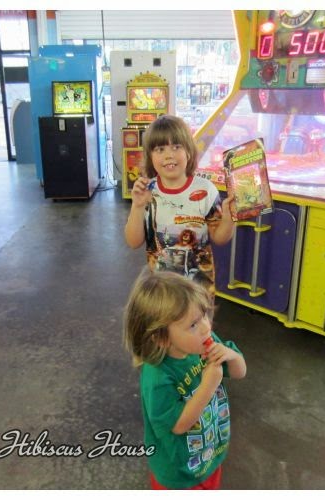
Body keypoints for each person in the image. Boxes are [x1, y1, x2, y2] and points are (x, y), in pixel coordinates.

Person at [123, 270, 247, 489]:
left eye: (204, 315)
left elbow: (240, 372)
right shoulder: (158, 376)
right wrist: (209, 384)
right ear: (161, 338)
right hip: (178, 473)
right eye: (193, 325)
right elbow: (178, 426)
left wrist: (232, 356)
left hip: (209, 454)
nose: (206, 327)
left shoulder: (205, 343)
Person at [123, 115, 235, 292]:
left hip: (199, 291)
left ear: (188, 152)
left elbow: (220, 238)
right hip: (161, 291)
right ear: (150, 156)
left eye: (176, 147)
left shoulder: (206, 190)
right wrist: (137, 206)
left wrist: (229, 218)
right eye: (160, 149)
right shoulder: (147, 192)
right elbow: (133, 242)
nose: (169, 155)